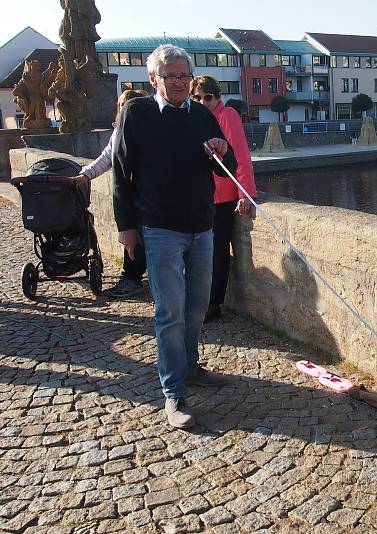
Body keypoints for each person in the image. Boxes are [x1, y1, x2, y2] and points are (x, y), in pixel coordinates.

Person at [112, 44, 237, 429]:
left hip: (201, 226)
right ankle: (174, 393)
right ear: (154, 80)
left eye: (184, 75)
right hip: (159, 228)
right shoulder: (137, 113)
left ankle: (191, 365)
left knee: (197, 307)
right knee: (169, 311)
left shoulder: (202, 115)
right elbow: (120, 171)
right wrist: (126, 226)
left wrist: (222, 148)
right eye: (171, 76)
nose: (180, 82)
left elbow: (226, 167)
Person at [189, 75, 257, 323]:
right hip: (201, 195)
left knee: (217, 252)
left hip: (223, 196)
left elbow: (240, 155)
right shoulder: (194, 118)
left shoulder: (226, 116)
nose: (202, 101)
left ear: (217, 97)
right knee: (200, 252)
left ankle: (213, 304)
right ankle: (202, 300)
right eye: (196, 97)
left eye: (207, 97)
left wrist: (245, 192)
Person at [73, 89, 148, 298]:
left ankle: (134, 277)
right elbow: (107, 158)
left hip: (147, 195)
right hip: (129, 196)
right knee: (132, 238)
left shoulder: (150, 129)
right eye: (123, 104)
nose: (126, 108)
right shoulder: (118, 131)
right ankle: (131, 277)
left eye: (131, 104)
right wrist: (85, 174)